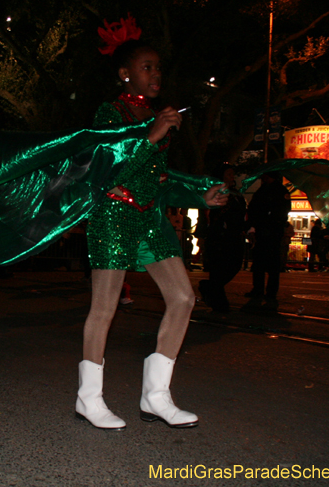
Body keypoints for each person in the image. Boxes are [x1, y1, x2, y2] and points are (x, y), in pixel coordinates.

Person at [77, 23, 227, 431]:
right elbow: (108, 172)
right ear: (125, 73)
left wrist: (201, 196)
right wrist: (153, 134)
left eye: (158, 68)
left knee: (183, 298)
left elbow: (156, 181)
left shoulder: (155, 116)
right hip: (113, 213)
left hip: (149, 219)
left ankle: (155, 395)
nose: (156, 75)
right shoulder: (111, 113)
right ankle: (89, 398)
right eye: (147, 67)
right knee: (104, 308)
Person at [198, 163, 246, 313]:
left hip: (235, 235)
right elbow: (215, 214)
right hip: (220, 237)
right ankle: (219, 304)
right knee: (220, 268)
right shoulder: (217, 192)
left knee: (234, 265)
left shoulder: (236, 194)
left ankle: (209, 289)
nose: (232, 177)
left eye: (233, 174)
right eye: (229, 174)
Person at [241, 172, 291, 312]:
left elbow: (282, 211)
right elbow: (253, 210)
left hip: (270, 231)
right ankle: (262, 290)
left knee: (268, 264)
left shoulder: (278, 191)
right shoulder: (264, 190)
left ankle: (267, 292)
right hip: (264, 231)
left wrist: (266, 224)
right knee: (262, 264)